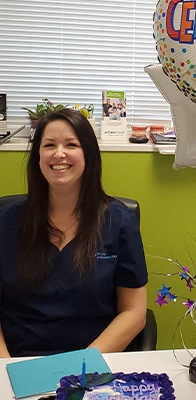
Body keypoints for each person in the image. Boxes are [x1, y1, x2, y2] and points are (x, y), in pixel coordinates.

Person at [0, 108, 148, 357]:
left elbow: (133, 312)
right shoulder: (7, 221)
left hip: (93, 362)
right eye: (49, 145)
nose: (59, 153)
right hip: (18, 362)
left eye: (71, 144)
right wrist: (5, 370)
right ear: (38, 156)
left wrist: (83, 364)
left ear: (88, 154)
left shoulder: (118, 221)